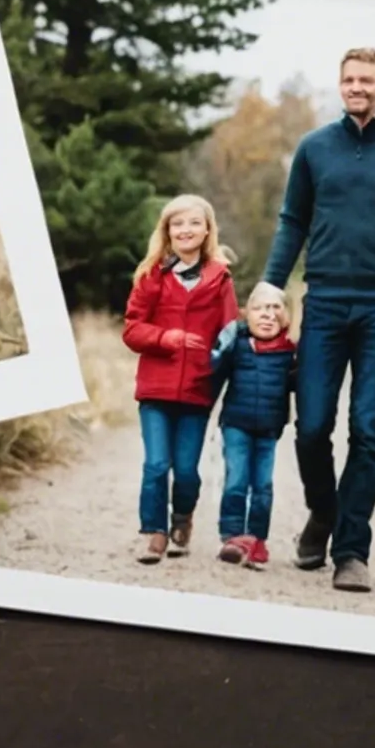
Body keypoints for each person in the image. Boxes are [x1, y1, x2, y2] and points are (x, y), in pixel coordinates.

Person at [258, 46, 375, 594]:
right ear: (340, 86)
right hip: (326, 301)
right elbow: (293, 220)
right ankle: (324, 510)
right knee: (312, 424)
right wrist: (272, 280)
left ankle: (352, 551)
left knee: (368, 425)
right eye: (348, 79)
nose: (356, 87)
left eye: (366, 79)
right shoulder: (315, 148)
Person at [124, 194, 236, 563]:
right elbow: (132, 330)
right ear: (167, 231)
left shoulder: (220, 278)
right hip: (156, 388)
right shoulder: (152, 275)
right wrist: (165, 338)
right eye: (177, 224)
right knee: (157, 464)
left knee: (186, 471)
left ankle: (182, 517)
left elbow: (230, 331)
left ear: (207, 230)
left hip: (197, 391)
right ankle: (154, 532)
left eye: (193, 223)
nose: (185, 230)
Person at [210, 284, 298, 569]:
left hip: (269, 429)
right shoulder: (237, 346)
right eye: (260, 309)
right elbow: (212, 371)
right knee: (237, 480)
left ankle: (257, 539)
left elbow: (301, 385)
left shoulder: (289, 354)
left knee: (262, 486)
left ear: (285, 318)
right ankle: (233, 538)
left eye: (275, 309)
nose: (267, 315)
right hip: (236, 423)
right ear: (246, 316)